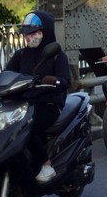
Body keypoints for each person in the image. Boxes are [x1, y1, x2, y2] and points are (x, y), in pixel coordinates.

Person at [7, 11, 71, 182]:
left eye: (33, 33)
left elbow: (66, 81)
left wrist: (55, 80)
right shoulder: (21, 55)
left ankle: (46, 164)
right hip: (24, 104)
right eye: (27, 34)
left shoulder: (57, 55)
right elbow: (6, 74)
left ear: (46, 32)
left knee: (25, 127)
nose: (29, 38)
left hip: (48, 104)